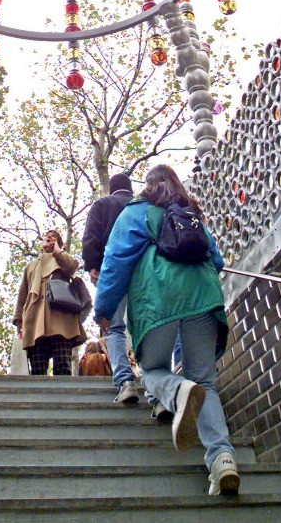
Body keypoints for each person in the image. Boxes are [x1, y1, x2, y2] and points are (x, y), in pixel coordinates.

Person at [94, 163, 239, 497]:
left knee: (152, 371)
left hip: (157, 300)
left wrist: (104, 308)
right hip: (203, 296)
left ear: (147, 185)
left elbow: (115, 261)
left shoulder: (135, 213)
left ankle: (177, 392)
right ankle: (222, 459)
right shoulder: (189, 212)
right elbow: (216, 260)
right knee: (206, 381)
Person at [82, 172, 137, 404]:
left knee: (114, 327)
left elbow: (91, 237)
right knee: (144, 325)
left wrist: (92, 265)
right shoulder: (140, 206)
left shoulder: (102, 204)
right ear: (130, 188)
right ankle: (155, 384)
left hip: (112, 270)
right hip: (142, 271)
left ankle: (125, 381)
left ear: (111, 189)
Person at [13, 229, 86, 376]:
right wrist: (19, 319)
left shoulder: (62, 259)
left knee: (62, 365)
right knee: (37, 369)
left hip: (61, 319)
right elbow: (23, 293)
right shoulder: (31, 265)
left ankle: (63, 398)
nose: (49, 238)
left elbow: (72, 266)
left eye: (54, 237)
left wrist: (57, 250)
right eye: (47, 237)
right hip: (35, 320)